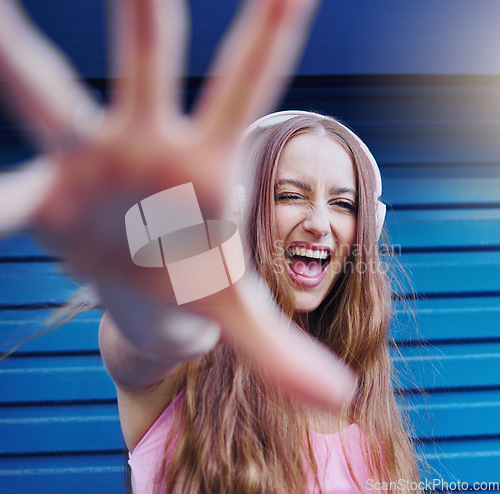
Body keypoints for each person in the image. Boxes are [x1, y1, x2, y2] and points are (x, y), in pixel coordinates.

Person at [0, 1, 421, 492]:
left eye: (344, 204)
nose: (319, 223)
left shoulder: (364, 403)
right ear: (238, 214)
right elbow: (155, 332)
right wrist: (161, 264)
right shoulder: (180, 371)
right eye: (289, 195)